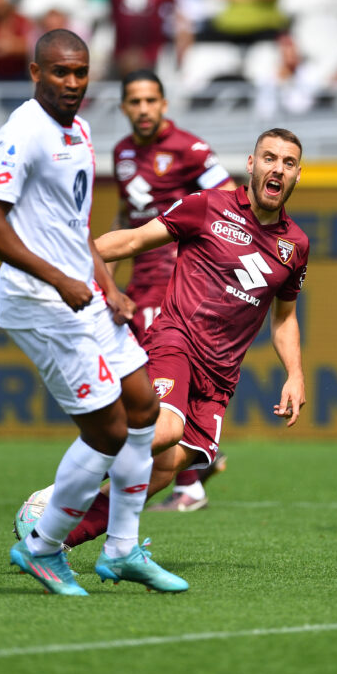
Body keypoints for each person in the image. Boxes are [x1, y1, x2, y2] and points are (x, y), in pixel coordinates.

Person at [15, 127, 310, 556]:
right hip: (176, 342)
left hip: (220, 376)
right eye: (269, 158)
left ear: (298, 174)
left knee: (163, 470)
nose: (277, 168)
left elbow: (284, 318)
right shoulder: (207, 206)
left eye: (287, 162)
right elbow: (133, 239)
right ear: (251, 164)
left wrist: (295, 374)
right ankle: (58, 493)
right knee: (164, 430)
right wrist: (64, 264)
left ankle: (50, 543)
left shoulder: (295, 245)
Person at [0, 29, 187, 596]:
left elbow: (74, 227)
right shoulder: (24, 131)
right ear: (36, 73)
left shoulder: (82, 129)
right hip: (38, 301)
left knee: (143, 407)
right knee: (108, 429)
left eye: (80, 72)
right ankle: (43, 547)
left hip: (84, 295)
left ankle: (122, 552)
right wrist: (62, 278)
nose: (72, 82)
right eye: (60, 72)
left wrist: (107, 284)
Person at [84, 68, 236, 515]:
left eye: (152, 100)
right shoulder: (123, 151)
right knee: (137, 381)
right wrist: (102, 276)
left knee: (151, 382)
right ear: (124, 107)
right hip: (139, 282)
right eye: (135, 101)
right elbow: (125, 222)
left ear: (164, 104)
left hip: (176, 286)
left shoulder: (190, 149)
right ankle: (192, 462)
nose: (144, 109)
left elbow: (229, 206)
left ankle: (188, 482)